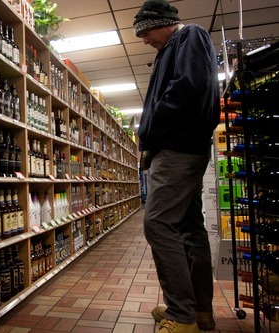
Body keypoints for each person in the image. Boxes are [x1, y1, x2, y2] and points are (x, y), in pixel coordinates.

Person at [133, 1, 220, 332]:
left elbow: (188, 87)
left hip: (178, 147)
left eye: (145, 32)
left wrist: (151, 127)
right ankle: (200, 311)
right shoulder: (173, 47)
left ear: (161, 23)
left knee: (156, 223)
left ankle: (181, 315)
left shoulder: (189, 36)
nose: (144, 39)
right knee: (188, 226)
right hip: (183, 146)